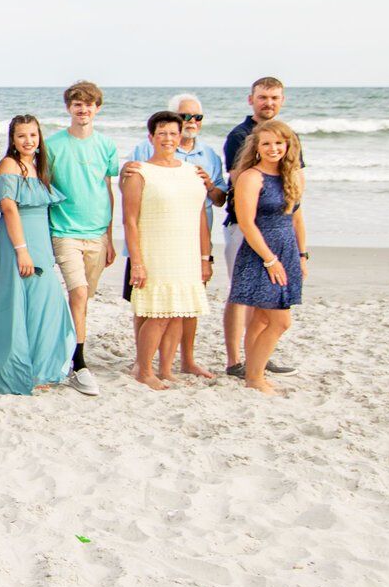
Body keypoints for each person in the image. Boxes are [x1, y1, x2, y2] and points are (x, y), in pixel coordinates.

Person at [124, 93, 226, 377]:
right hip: (156, 252)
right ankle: (144, 370)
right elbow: (129, 221)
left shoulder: (194, 171)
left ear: (181, 136)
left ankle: (167, 370)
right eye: (161, 133)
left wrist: (205, 259)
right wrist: (138, 262)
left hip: (187, 255)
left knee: (180, 314)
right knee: (157, 315)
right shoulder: (139, 171)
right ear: (151, 137)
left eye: (173, 133)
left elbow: (201, 219)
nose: (168, 138)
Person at [0, 115, 75, 396]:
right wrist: (22, 251)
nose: (28, 141)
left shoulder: (36, 166)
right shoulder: (10, 165)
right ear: (13, 139)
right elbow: (8, 209)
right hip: (16, 243)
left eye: (33, 135)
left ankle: (38, 367)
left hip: (39, 241)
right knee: (17, 303)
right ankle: (12, 370)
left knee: (45, 303)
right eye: (22, 136)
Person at [45, 80, 118, 396]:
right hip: (64, 231)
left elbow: (108, 189)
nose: (83, 109)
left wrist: (111, 237)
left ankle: (69, 347)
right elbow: (44, 188)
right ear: (69, 108)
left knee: (84, 299)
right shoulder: (54, 145)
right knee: (78, 294)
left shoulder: (106, 145)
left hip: (97, 234)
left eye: (89, 104)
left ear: (97, 108)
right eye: (77, 104)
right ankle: (79, 363)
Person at [222, 77, 298, 378]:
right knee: (242, 294)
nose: (269, 102)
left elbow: (293, 182)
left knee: (264, 300)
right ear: (250, 99)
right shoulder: (239, 135)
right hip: (245, 224)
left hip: (278, 227)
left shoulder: (286, 135)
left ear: (282, 100)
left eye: (275, 97)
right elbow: (239, 182)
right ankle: (235, 361)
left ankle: (258, 358)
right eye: (263, 97)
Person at [227, 120, 306, 395]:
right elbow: (247, 224)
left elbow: (296, 217)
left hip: (287, 250)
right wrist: (270, 260)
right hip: (261, 253)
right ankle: (255, 377)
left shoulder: (294, 175)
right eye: (266, 143)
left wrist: (302, 254)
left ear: (288, 145)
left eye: (279, 143)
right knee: (280, 321)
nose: (273, 148)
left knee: (261, 319)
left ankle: (254, 374)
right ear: (257, 147)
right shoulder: (251, 177)